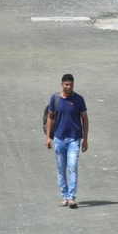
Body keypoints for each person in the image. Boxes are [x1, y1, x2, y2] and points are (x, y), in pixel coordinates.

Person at [44, 74, 89, 209]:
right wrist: (48, 137)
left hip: (74, 139)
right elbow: (50, 117)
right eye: (66, 84)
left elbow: (85, 119)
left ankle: (71, 198)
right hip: (59, 139)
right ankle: (64, 196)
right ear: (62, 85)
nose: (69, 87)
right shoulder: (55, 98)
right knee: (61, 168)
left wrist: (85, 140)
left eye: (71, 84)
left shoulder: (79, 99)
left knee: (72, 167)